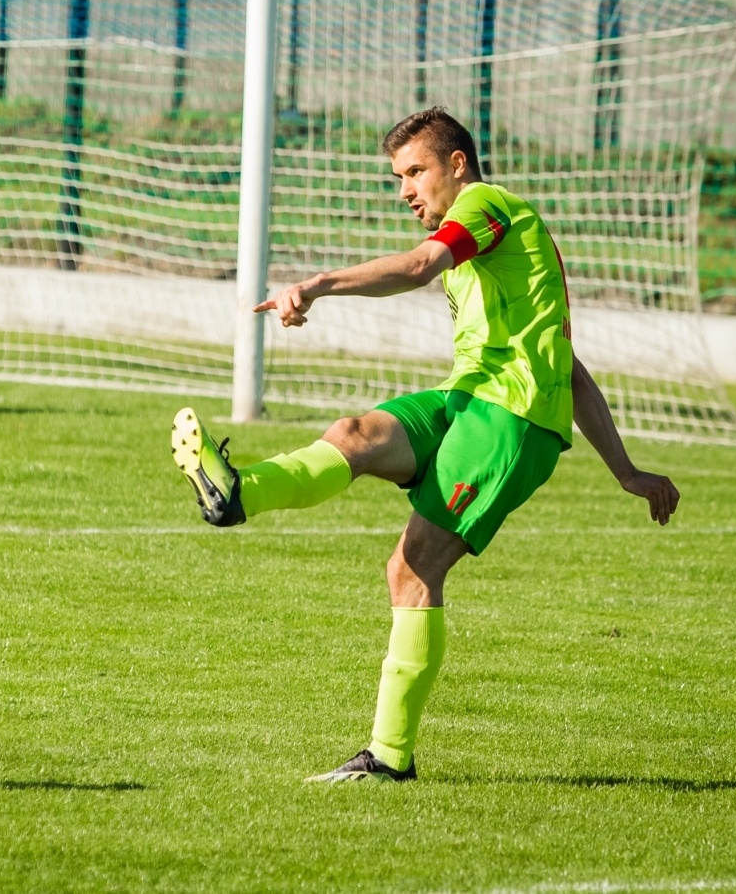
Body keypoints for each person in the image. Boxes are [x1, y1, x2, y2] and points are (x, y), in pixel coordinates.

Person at [169, 107, 679, 783]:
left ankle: (388, 757)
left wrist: (318, 284)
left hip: (510, 420)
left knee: (410, 572)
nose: (405, 190)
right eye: (398, 178)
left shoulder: (485, 206)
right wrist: (628, 471)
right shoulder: (486, 249)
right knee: (353, 435)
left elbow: (417, 267)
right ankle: (237, 494)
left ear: (457, 165)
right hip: (466, 397)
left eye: (415, 171)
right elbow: (571, 367)